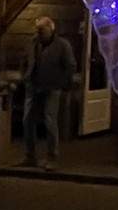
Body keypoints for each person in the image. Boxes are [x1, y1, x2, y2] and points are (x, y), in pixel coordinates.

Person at [21, 17, 77, 169]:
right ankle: (30, 155)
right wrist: (25, 76)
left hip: (52, 87)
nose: (39, 34)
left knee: (50, 120)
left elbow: (70, 66)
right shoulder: (33, 42)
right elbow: (25, 60)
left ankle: (52, 156)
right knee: (27, 120)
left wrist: (62, 82)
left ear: (51, 30)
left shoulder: (62, 45)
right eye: (37, 30)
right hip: (33, 85)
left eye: (42, 31)